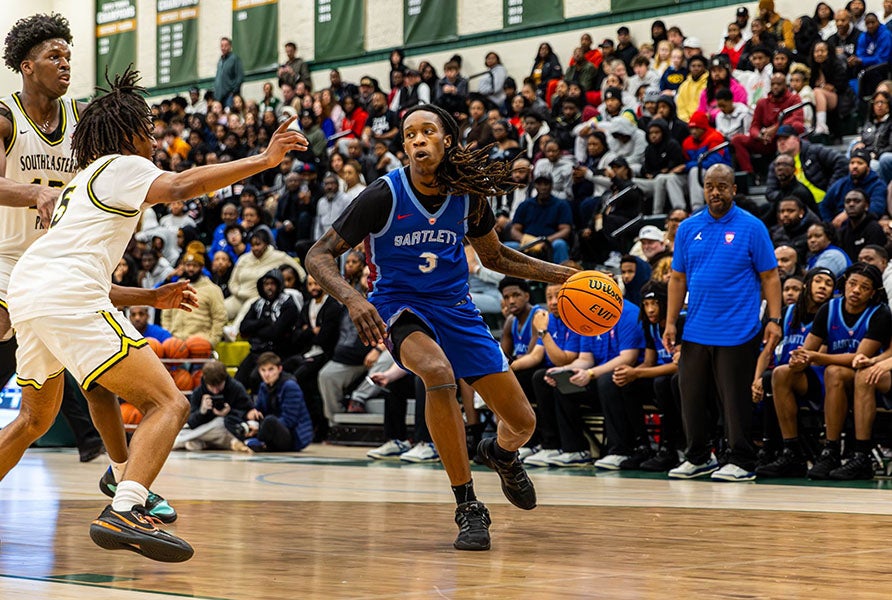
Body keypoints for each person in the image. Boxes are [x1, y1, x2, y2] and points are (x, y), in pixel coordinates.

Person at [4, 66, 307, 561]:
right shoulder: (123, 165)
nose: (155, 140)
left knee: (33, 421)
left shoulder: (80, 184)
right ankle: (126, 504)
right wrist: (266, 158)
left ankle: (121, 474)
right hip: (64, 293)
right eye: (148, 130)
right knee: (170, 403)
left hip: (30, 292)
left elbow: (82, 278)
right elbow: (183, 186)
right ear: (126, 134)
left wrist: (149, 298)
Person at [305, 103, 577, 551]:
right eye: (408, 134)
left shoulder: (468, 195)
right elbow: (318, 254)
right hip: (399, 305)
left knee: (523, 422)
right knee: (436, 372)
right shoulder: (383, 195)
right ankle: (468, 504)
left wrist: (566, 275)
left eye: (426, 131)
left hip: (456, 306)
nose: (415, 140)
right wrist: (353, 298)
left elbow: (498, 258)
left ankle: (502, 455)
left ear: (446, 140)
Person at [0, 13, 187, 525]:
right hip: (9, 260)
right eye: (53, 56)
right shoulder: (6, 116)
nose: (64, 64)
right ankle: (126, 485)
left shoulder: (84, 124)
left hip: (58, 268)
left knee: (67, 400)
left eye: (67, 55)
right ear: (25, 66)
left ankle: (121, 471)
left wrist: (146, 296)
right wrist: (35, 190)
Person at [663, 164, 782, 482]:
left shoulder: (752, 227)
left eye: (721, 186)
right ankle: (698, 457)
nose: (715, 192)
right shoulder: (688, 228)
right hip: (697, 328)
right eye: (709, 186)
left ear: (734, 190)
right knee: (691, 396)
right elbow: (677, 278)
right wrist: (671, 321)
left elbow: (770, 275)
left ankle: (742, 460)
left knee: (735, 400)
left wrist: (774, 318)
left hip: (738, 329)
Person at [753, 266, 836, 478]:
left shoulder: (830, 314)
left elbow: (820, 357)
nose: (823, 287)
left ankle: (779, 450)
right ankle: (752, 449)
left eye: (828, 284)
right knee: (752, 381)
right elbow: (767, 351)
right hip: (782, 377)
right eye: (819, 281)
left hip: (815, 379)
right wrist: (755, 380)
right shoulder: (786, 313)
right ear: (807, 285)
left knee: (774, 377)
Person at [173, 360, 253, 452]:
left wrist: (229, 412)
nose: (215, 391)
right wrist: (202, 412)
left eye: (218, 386)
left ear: (224, 380)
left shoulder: (236, 388)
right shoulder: (198, 392)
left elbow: (249, 413)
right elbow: (191, 422)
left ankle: (181, 440)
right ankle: (203, 442)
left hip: (227, 428)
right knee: (196, 429)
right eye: (211, 387)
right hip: (210, 431)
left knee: (219, 422)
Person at [244, 352, 314, 452]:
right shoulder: (263, 386)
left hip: (294, 436)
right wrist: (253, 414)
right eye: (263, 370)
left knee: (270, 420)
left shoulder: (290, 386)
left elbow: (289, 420)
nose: (266, 374)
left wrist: (260, 428)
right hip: (272, 429)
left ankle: (258, 442)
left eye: (271, 369)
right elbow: (259, 410)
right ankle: (256, 442)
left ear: (279, 369)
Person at [214, 37, 244, 109]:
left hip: (229, 96)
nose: (223, 48)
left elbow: (240, 77)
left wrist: (233, 92)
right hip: (219, 97)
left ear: (230, 46)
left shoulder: (234, 59)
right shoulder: (220, 61)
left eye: (226, 45)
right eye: (222, 46)